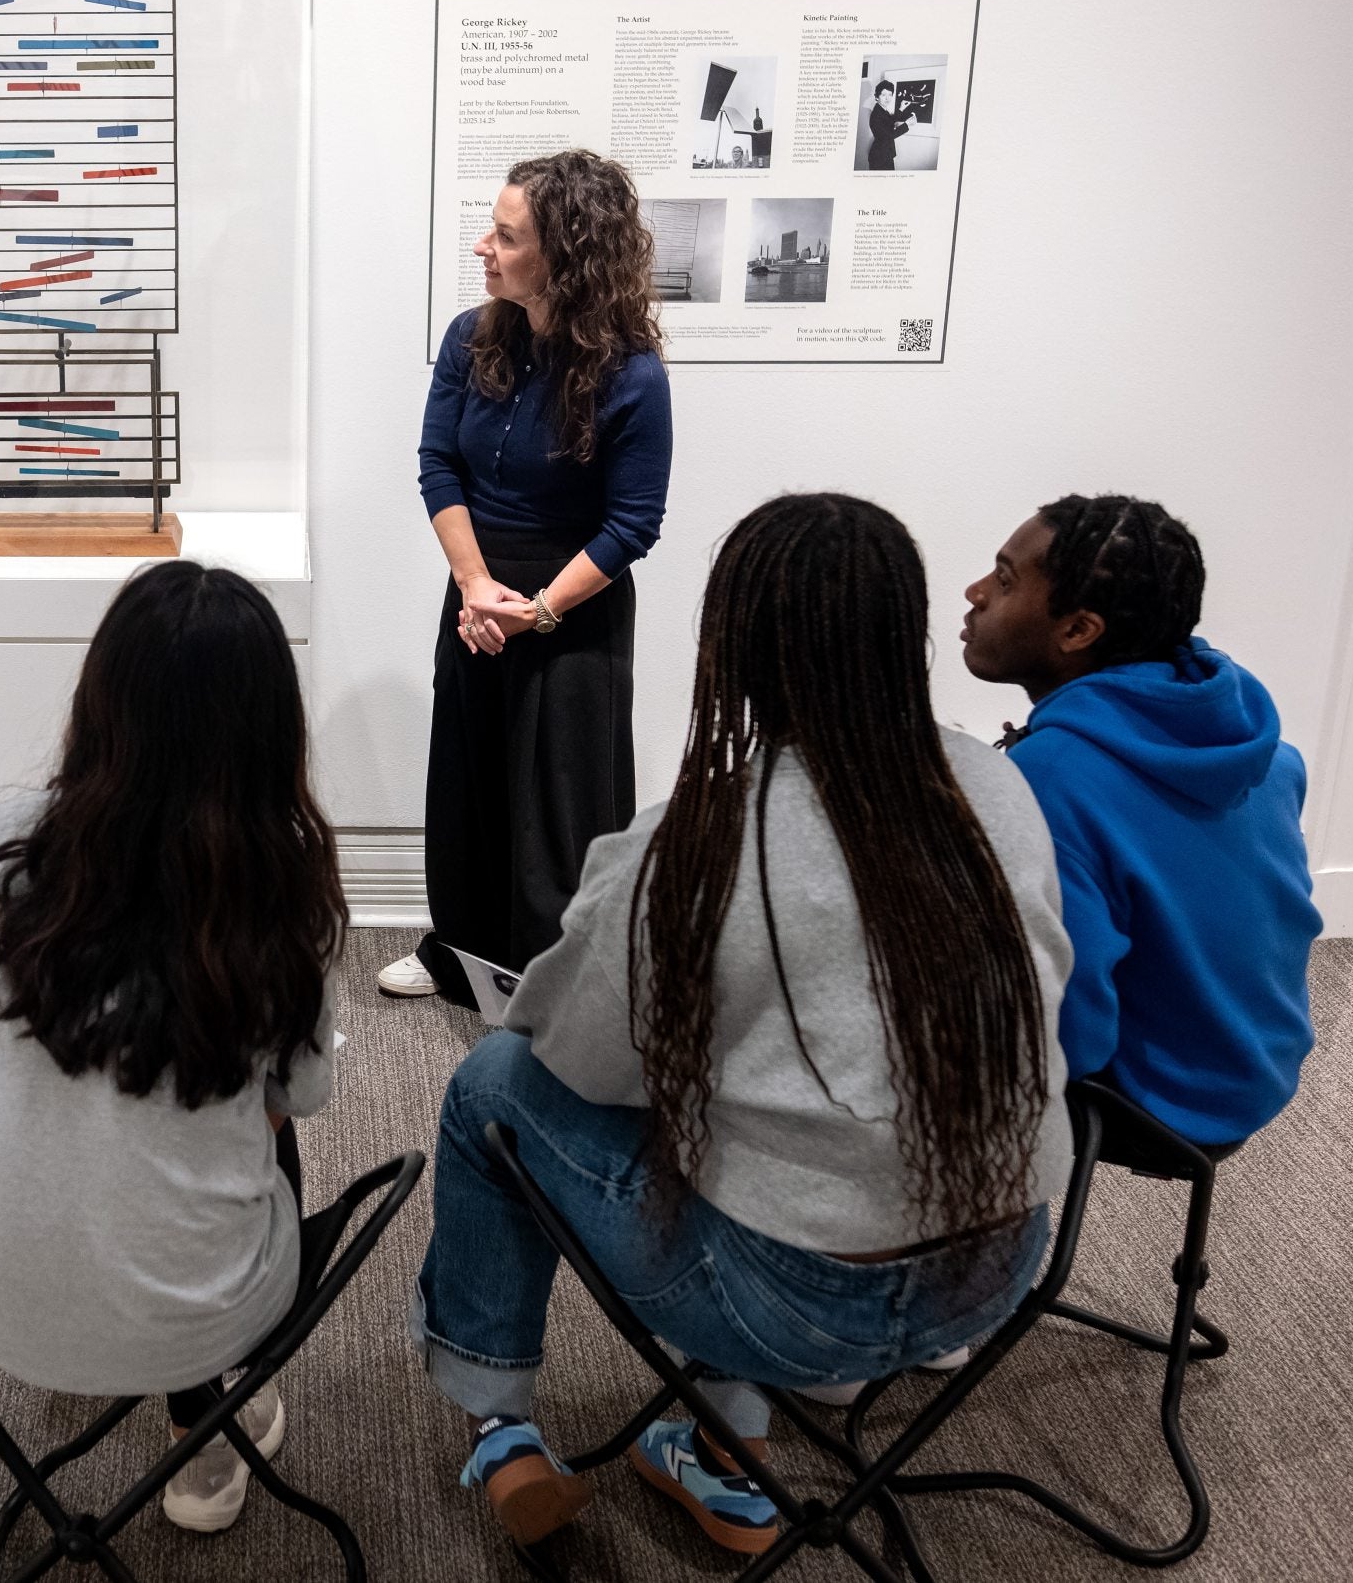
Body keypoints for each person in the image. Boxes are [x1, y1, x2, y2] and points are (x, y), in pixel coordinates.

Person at [412, 494, 1072, 1557]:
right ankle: (722, 1448)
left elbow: (575, 1054)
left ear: (736, 648)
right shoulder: (997, 784)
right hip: (997, 1266)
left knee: (490, 1086)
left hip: (798, 1300)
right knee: (751, 1108)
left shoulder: (697, 839)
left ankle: (499, 1420)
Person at [0, 561, 344, 1536]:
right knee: (253, 1115)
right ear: (270, 730)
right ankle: (207, 1419)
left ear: (98, 700)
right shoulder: (281, 891)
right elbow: (300, 1097)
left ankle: (115, 1300)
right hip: (199, 1311)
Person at [382, 149, 674, 1006]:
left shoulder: (633, 377)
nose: (484, 247)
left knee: (559, 807)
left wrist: (537, 612)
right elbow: (438, 463)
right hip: (477, 594)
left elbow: (632, 525)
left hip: (571, 609)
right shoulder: (470, 340)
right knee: (468, 780)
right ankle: (458, 954)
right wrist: (474, 587)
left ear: (565, 254)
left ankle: (551, 985)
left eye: (506, 237)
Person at [960, 494, 1320, 1151]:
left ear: (1079, 632)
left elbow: (1073, 1031)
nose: (976, 592)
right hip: (1262, 1057)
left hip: (1168, 1103)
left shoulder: (1053, 777)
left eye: (1005, 580)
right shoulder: (1255, 742)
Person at [863, 77, 911, 171]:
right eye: (883, 94)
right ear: (877, 96)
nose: (887, 98)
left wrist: (901, 108)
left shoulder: (882, 110)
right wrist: (907, 124)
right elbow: (888, 135)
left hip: (885, 154)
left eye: (890, 94)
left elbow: (890, 122)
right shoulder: (876, 114)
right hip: (879, 157)